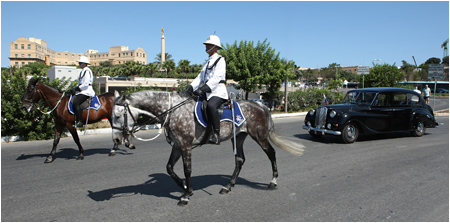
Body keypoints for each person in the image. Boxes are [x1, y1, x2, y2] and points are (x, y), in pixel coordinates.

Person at [180, 34, 228, 145]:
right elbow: (200, 78)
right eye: (206, 44)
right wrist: (189, 89)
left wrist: (203, 88)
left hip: (218, 92)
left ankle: (216, 134)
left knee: (211, 106)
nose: (206, 46)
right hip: (206, 92)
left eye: (208, 44)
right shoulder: (206, 63)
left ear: (215, 47)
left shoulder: (221, 60)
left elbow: (217, 78)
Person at [69, 56, 95, 127]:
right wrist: (75, 88)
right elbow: (80, 82)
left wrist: (77, 88)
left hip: (86, 91)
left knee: (76, 102)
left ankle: (80, 121)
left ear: (84, 63)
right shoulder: (82, 71)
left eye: (80, 62)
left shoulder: (87, 71)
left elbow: (86, 84)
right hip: (82, 90)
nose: (79, 63)